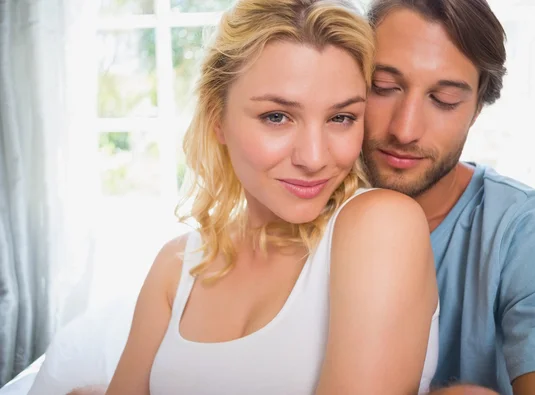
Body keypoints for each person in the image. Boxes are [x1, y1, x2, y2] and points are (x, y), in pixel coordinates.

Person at [70, 0, 440, 394]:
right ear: (218, 120)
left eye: (340, 118)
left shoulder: (381, 226)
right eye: (277, 117)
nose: (314, 158)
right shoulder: (176, 267)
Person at [362, 0, 535, 394]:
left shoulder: (532, 231)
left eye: (444, 101)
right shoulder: (301, 213)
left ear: (476, 109)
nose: (405, 130)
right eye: (383, 88)